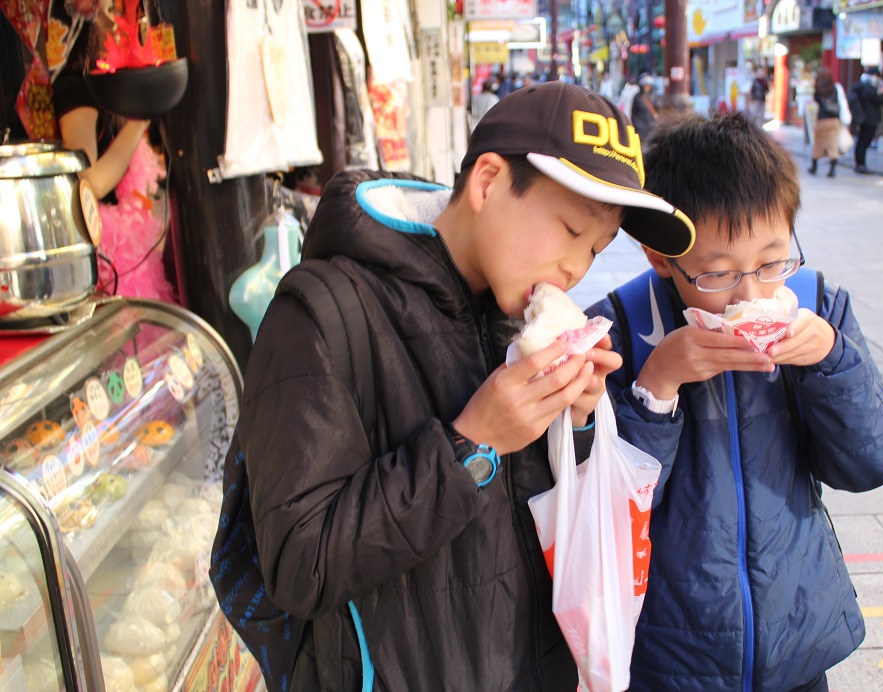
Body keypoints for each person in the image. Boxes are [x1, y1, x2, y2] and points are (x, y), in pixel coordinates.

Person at [218, 81, 695, 690]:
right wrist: (471, 445)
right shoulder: (319, 314)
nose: (576, 268)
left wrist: (572, 424)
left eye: (597, 249)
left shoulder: (515, 313)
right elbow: (300, 566)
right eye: (571, 231)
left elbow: (526, 531)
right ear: (489, 181)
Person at [586, 111, 883, 692]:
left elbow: (872, 463)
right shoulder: (620, 332)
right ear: (661, 257)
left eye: (770, 261)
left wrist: (830, 359)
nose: (752, 293)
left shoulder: (818, 307)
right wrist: (657, 387)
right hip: (667, 649)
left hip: (796, 641)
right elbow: (604, 512)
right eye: (718, 274)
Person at [52, 16, 175, 302]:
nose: (117, 20)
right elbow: (90, 183)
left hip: (128, 248)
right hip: (105, 255)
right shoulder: (77, 91)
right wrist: (139, 121)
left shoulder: (109, 95)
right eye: (108, 9)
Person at [809, 67, 848, 177]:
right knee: (832, 146)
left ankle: (814, 167)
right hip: (834, 121)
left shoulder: (818, 90)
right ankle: (832, 169)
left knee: (818, 145)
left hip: (822, 120)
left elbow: (816, 101)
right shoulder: (835, 88)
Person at [851, 66, 883, 174]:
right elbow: (879, 101)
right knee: (864, 142)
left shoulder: (860, 86)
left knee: (860, 142)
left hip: (861, 118)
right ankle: (861, 165)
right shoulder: (869, 88)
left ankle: (859, 164)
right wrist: (882, 93)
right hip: (870, 119)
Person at [630, 73, 659, 139]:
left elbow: (657, 110)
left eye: (648, 86)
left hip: (651, 126)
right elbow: (633, 112)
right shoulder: (637, 97)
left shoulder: (654, 96)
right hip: (639, 126)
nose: (647, 87)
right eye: (645, 85)